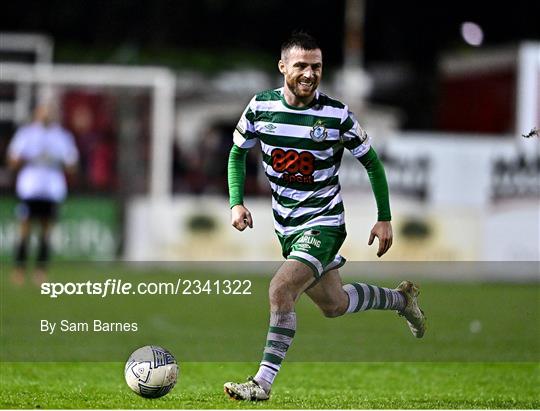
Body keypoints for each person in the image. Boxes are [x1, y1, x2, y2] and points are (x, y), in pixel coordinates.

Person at [224, 32, 426, 401]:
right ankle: (402, 301)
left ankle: (262, 384)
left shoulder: (336, 115)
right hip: (287, 226)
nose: (308, 73)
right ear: (283, 66)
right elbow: (238, 153)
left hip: (324, 223)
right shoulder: (260, 108)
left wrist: (384, 217)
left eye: (315, 66)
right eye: (300, 65)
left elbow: (372, 162)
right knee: (336, 305)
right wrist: (236, 201)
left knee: (281, 289)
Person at [7, 102, 79, 285]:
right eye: (42, 111)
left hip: (52, 189)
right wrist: (27, 158)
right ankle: (19, 270)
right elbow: (13, 160)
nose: (45, 115)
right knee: (24, 229)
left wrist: (58, 161)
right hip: (29, 188)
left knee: (46, 232)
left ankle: (41, 272)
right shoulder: (26, 134)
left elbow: (72, 164)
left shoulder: (62, 136)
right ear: (36, 114)